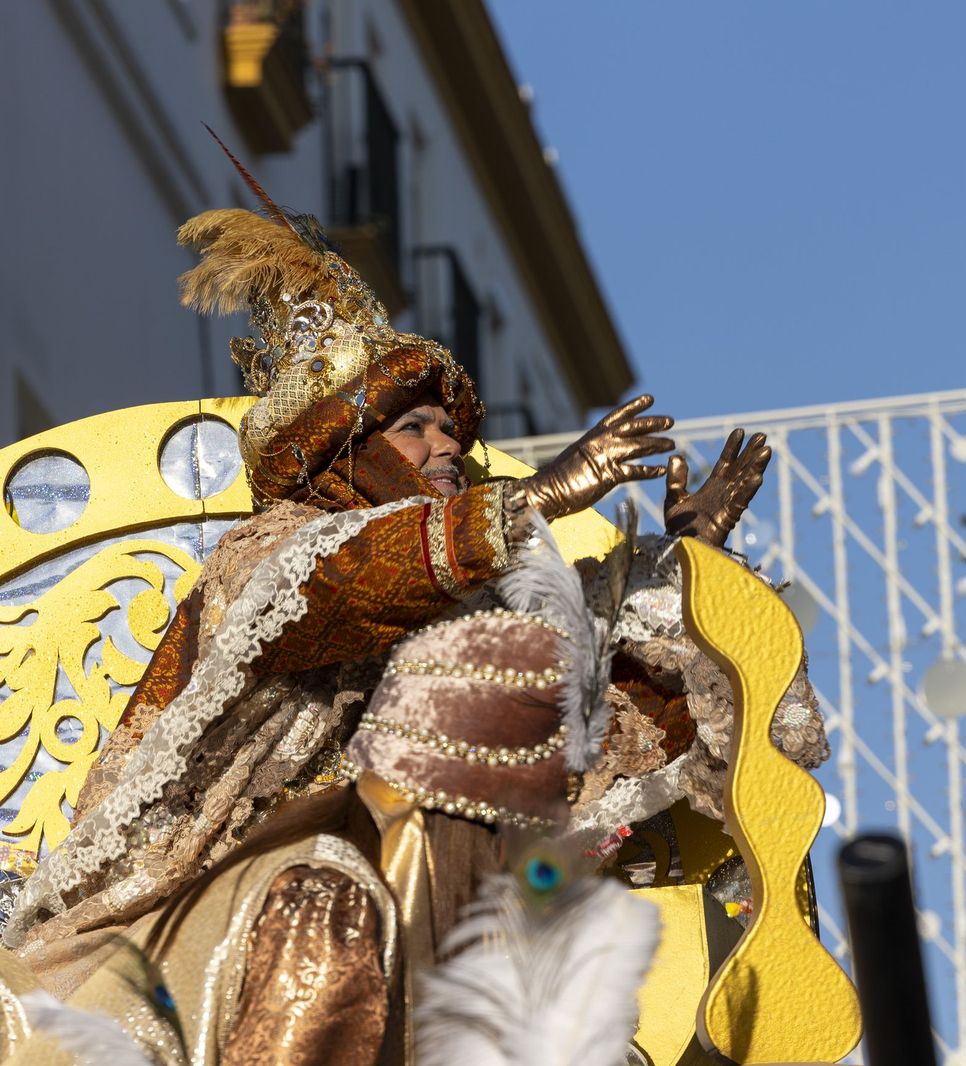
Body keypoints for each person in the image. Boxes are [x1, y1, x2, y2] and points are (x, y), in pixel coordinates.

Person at [0, 197, 827, 1064]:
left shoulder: (486, 601)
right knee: (324, 907)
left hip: (455, 922)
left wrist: (693, 558)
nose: (447, 448)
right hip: (246, 912)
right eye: (413, 426)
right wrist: (536, 499)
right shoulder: (272, 557)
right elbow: (347, 581)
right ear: (339, 454)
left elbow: (605, 726)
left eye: (451, 429)